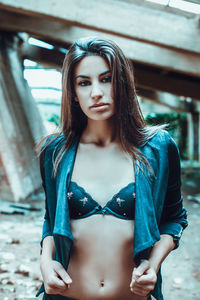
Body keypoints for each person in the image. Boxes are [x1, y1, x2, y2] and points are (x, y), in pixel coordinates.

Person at [36, 37, 188, 300]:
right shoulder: (55, 152)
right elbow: (52, 219)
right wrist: (45, 263)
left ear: (122, 83)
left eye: (106, 79)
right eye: (84, 83)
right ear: (73, 93)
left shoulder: (159, 148)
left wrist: (153, 264)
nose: (96, 92)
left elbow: (174, 219)